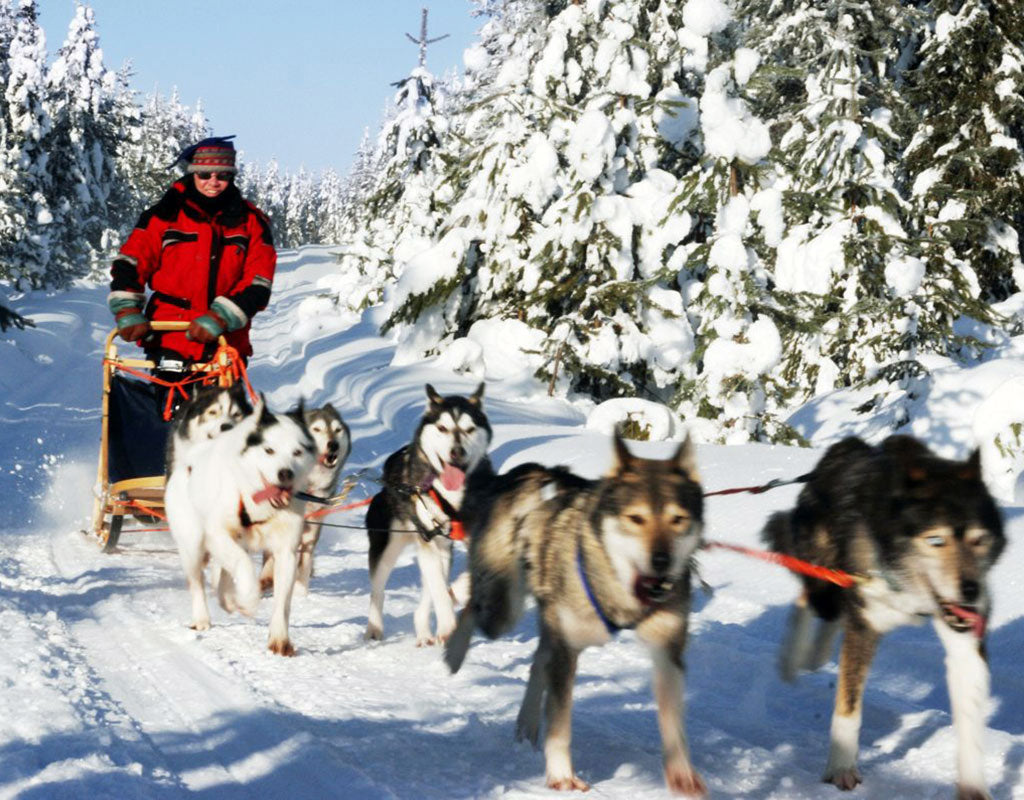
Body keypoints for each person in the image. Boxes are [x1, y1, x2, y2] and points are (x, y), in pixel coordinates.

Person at [107, 135, 276, 369]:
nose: (213, 182)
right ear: (193, 173)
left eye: (223, 175)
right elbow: (131, 263)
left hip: (225, 341)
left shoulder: (251, 223)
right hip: (169, 335)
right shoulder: (163, 216)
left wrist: (221, 317)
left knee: (222, 406)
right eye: (205, 174)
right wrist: (127, 309)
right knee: (168, 405)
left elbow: (259, 282)